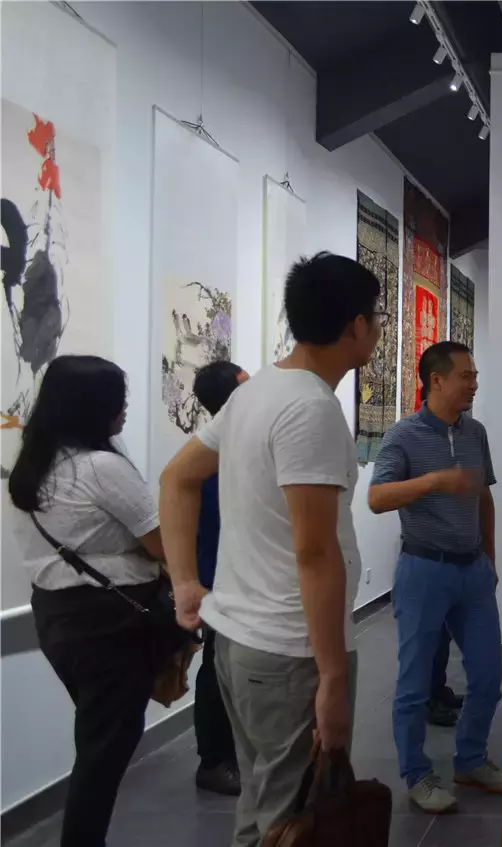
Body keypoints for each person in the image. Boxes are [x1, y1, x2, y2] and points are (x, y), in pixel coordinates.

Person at [160, 252, 378, 846]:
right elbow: (315, 552)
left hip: (243, 640)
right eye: (377, 318)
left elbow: (177, 478)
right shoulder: (310, 408)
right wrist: (332, 677)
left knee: (263, 812)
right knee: (290, 822)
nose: (379, 331)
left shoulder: (256, 392)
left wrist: (185, 582)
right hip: (289, 651)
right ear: (356, 325)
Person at [8, 355, 165, 847]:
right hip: (111, 625)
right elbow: (161, 543)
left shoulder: (32, 469)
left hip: (58, 621)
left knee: (98, 739)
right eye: (117, 400)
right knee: (104, 752)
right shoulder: (101, 468)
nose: (124, 410)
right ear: (90, 408)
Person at [368, 340, 502, 813]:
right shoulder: (403, 436)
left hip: (473, 571)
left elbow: (484, 497)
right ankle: (417, 774)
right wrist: (434, 481)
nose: (474, 384)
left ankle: (470, 759)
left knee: (488, 676)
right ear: (437, 380)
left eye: (475, 375)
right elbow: (377, 498)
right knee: (414, 685)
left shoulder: (475, 433)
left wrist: (490, 558)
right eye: (466, 375)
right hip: (423, 569)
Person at [190, 360, 248, 796]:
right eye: (245, 386)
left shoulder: (239, 446)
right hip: (220, 581)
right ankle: (212, 761)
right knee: (215, 670)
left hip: (242, 578)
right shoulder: (210, 455)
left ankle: (229, 754)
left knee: (231, 669)